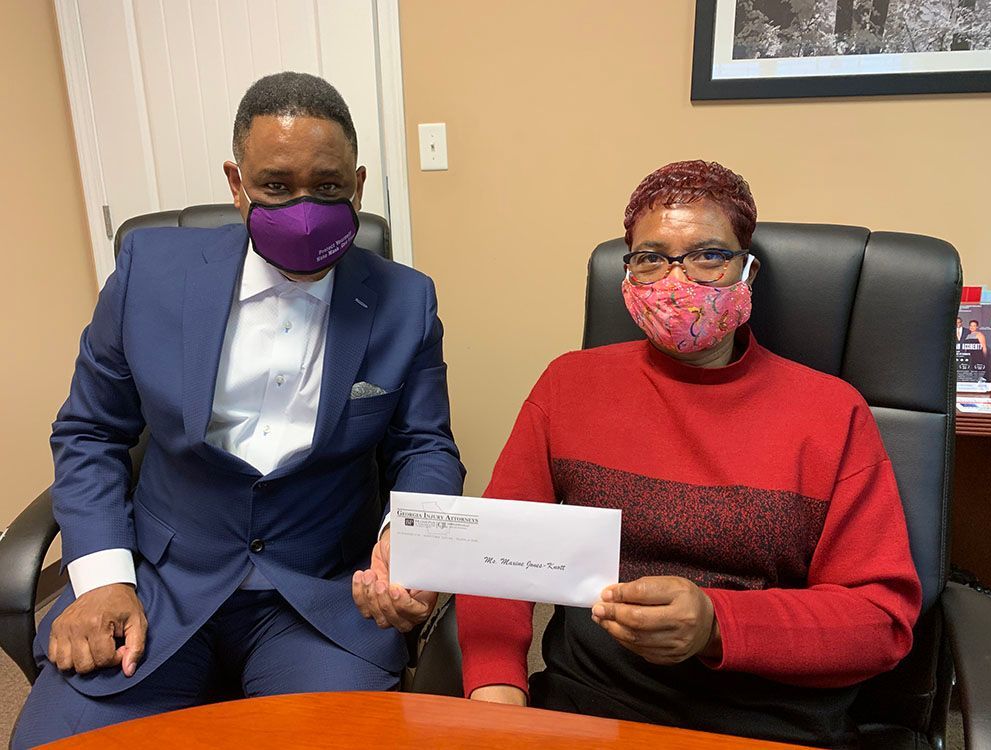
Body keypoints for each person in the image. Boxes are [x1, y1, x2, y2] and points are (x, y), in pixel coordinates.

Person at [13, 72, 464, 749]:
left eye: (330, 187)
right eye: (277, 186)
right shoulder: (150, 272)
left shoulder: (405, 301)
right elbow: (90, 432)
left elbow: (425, 447)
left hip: (317, 597)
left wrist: (409, 536)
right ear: (236, 182)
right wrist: (103, 579)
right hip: (159, 583)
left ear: (360, 184)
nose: (305, 209)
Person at [453, 160, 921, 748]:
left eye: (708, 255)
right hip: (588, 707)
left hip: (767, 721)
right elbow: (499, 553)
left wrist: (716, 626)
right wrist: (498, 697)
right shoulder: (568, 387)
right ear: (626, 274)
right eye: (650, 257)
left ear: (746, 271)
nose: (677, 281)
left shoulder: (832, 412)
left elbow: (880, 620)